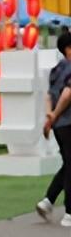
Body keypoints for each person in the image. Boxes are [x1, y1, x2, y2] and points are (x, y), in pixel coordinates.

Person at [38, 29, 71, 226]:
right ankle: (69, 212)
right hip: (68, 121)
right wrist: (56, 114)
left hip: (59, 125)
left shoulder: (56, 69)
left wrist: (50, 118)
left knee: (68, 163)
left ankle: (48, 200)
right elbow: (68, 93)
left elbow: (49, 95)